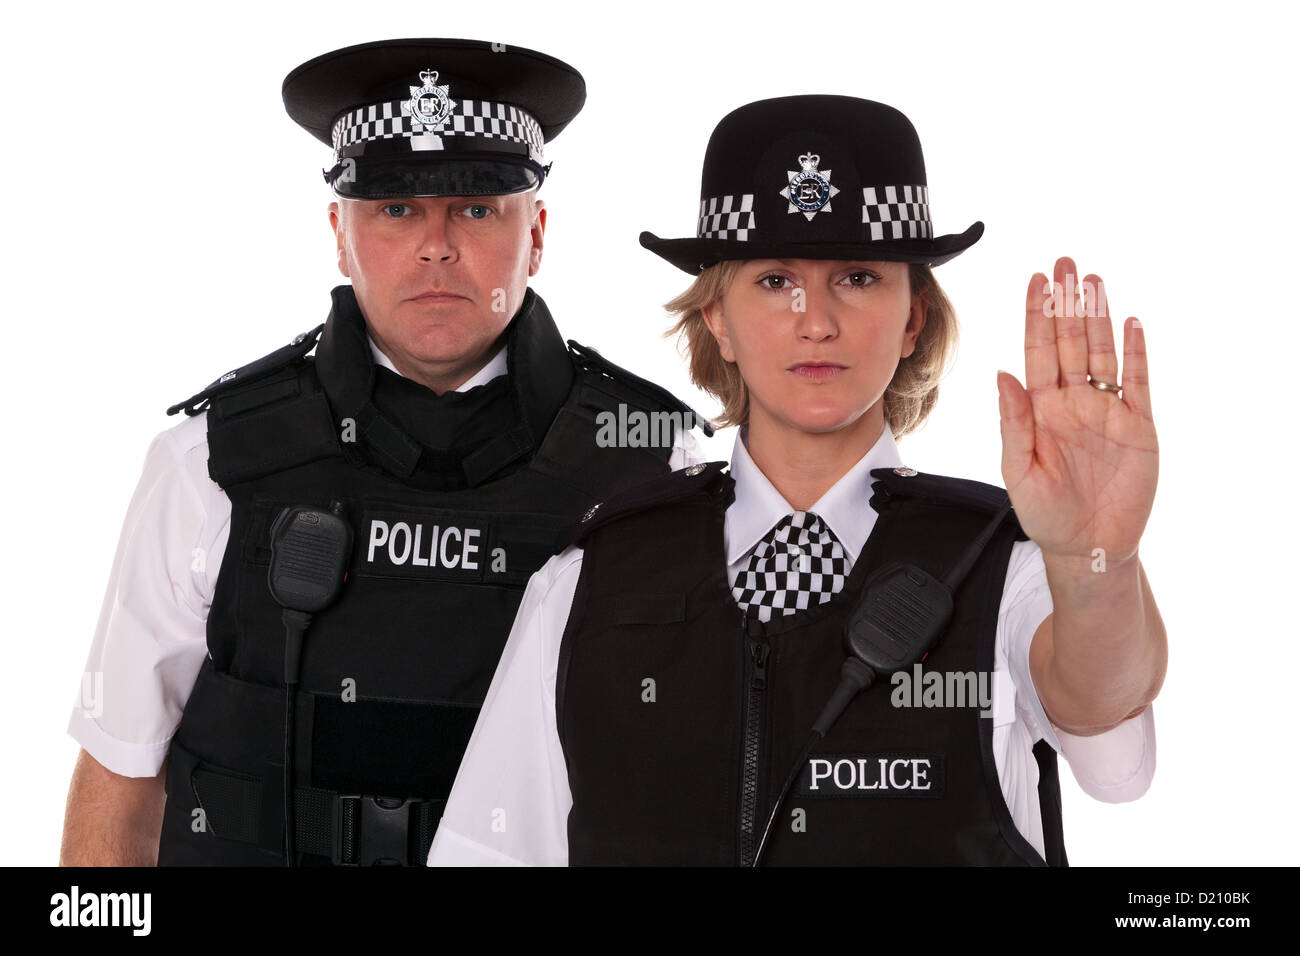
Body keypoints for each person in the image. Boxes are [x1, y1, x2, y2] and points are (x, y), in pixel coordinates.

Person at [428, 95, 1165, 866]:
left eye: (856, 276)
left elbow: (1107, 733)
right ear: (717, 317)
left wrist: (1091, 561)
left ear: (913, 317)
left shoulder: (1007, 568)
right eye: (776, 280)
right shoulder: (586, 582)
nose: (816, 320)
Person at [60, 37, 707, 866]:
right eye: (396, 209)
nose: (435, 245)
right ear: (340, 232)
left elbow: (695, 780)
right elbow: (120, 771)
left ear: (536, 232)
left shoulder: (654, 462)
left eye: (476, 209)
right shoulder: (211, 462)